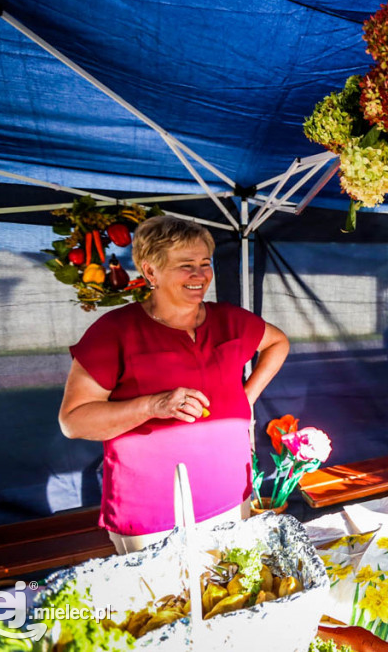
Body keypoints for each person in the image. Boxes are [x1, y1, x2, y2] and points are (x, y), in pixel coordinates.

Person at [59, 215, 289, 553]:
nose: (199, 276)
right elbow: (73, 420)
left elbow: (277, 342)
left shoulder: (229, 319)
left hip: (228, 491)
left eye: (204, 264)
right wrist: (154, 405)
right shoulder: (115, 331)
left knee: (234, 594)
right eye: (186, 266)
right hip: (152, 510)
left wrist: (246, 397)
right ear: (151, 271)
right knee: (166, 601)